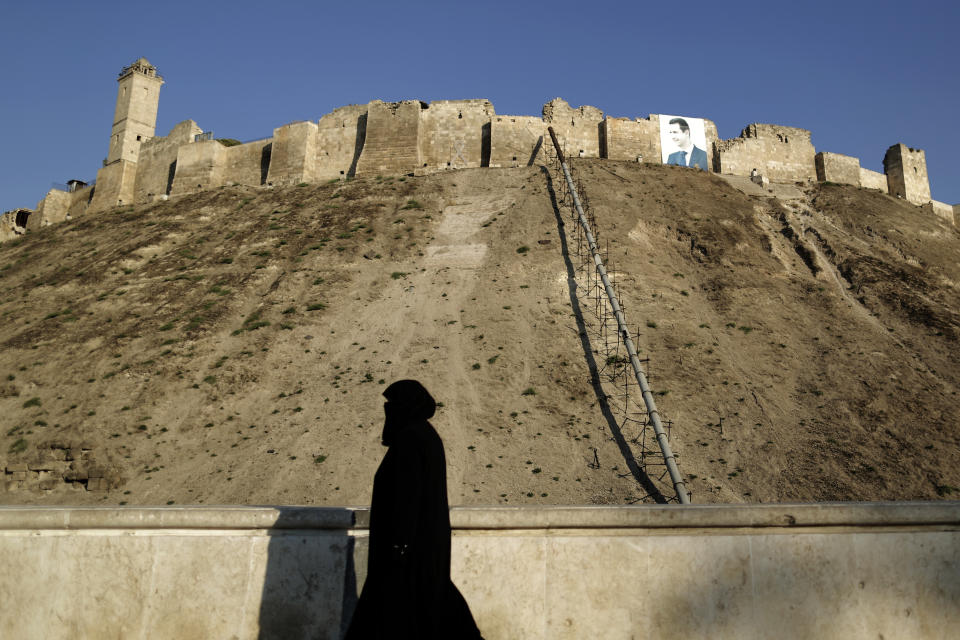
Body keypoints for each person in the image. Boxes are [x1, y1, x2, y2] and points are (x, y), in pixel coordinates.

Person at [345, 380, 484, 640]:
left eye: (393, 405)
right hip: (422, 547)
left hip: (407, 550)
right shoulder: (425, 435)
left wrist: (399, 546)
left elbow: (407, 497)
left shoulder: (411, 439)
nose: (388, 410)